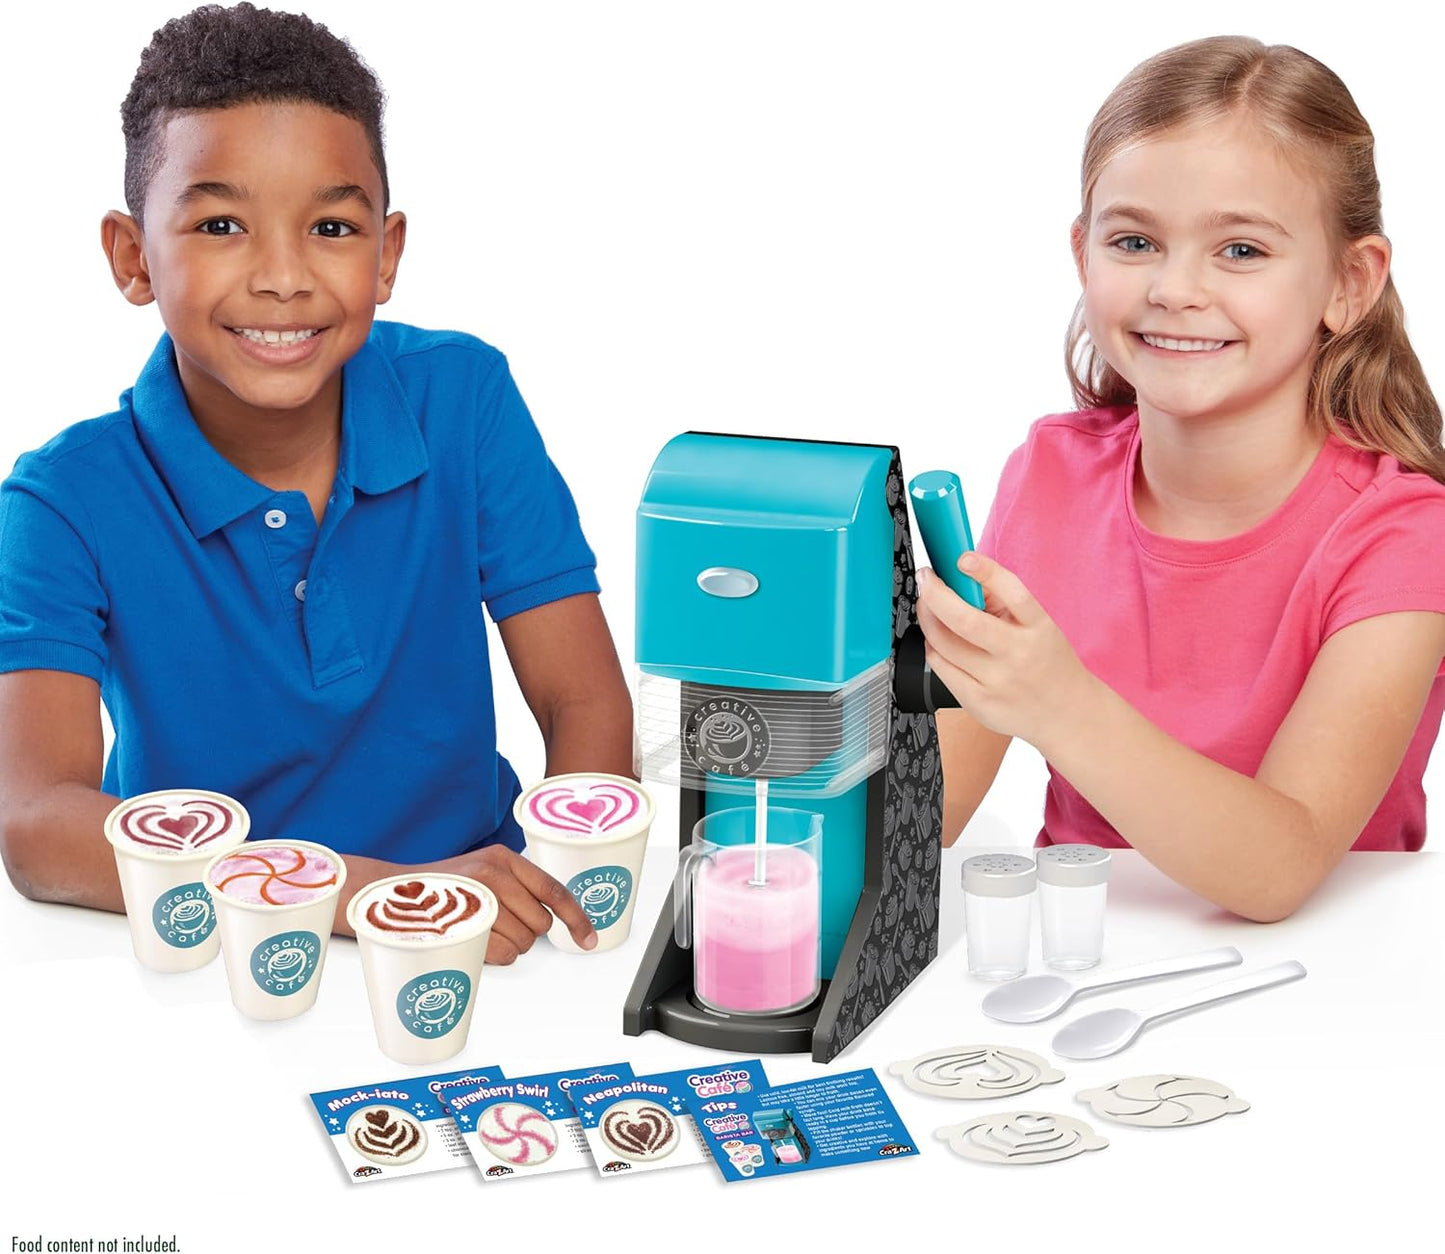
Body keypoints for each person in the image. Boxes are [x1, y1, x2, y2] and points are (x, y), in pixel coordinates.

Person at [0, 3, 635, 962]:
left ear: (386, 255)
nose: (284, 277)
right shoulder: (62, 501)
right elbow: (38, 823)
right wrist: (367, 894)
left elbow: (582, 702)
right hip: (214, 953)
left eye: (331, 226)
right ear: (134, 258)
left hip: (482, 939)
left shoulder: (461, 398)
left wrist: (573, 899)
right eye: (221, 223)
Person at [919, 36, 1445, 923]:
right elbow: (927, 814)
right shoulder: (1049, 473)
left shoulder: (1402, 535)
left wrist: (1060, 704)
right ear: (1083, 253)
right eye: (1134, 241)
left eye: (1240, 251)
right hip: (1086, 951)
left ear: (1349, 283)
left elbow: (1278, 870)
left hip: (1329, 981)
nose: (1173, 288)